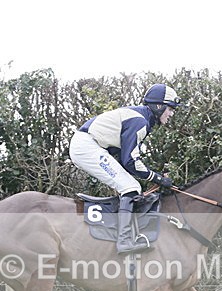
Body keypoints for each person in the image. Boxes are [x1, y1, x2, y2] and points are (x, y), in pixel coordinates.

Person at [69, 83, 181, 253]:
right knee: (130, 187)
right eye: (170, 109)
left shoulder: (142, 118)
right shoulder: (140, 121)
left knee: (130, 185)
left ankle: (122, 234)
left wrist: (154, 176)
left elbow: (126, 160)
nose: (172, 114)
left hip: (88, 145)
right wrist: (158, 178)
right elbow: (130, 161)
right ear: (159, 106)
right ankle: (124, 241)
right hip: (87, 146)